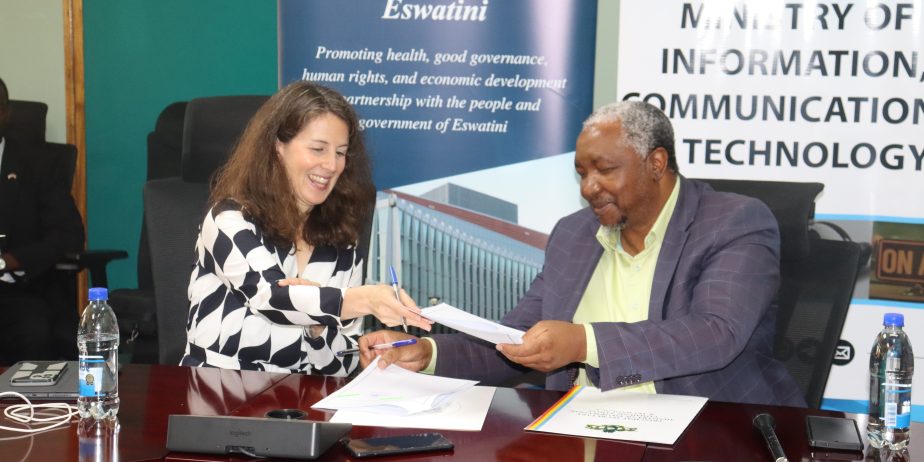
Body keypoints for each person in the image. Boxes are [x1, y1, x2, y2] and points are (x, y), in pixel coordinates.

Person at [360, 100, 805, 406]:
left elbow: (715, 333)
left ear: (656, 163)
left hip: (706, 430)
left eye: (605, 170)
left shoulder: (733, 221)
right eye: (581, 173)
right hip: (581, 427)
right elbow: (515, 339)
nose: (589, 188)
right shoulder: (574, 234)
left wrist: (583, 342)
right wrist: (427, 353)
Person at [181, 81, 431, 375]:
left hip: (295, 397)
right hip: (217, 389)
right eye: (318, 149)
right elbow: (270, 297)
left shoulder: (342, 240)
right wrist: (366, 299)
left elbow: (341, 364)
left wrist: (317, 328)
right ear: (278, 147)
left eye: (340, 153)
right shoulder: (229, 219)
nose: (331, 165)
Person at [0, 77, 85, 365]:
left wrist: (11, 260)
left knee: (33, 329)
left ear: (5, 113)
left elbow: (70, 234)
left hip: (18, 290)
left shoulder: (37, 165)